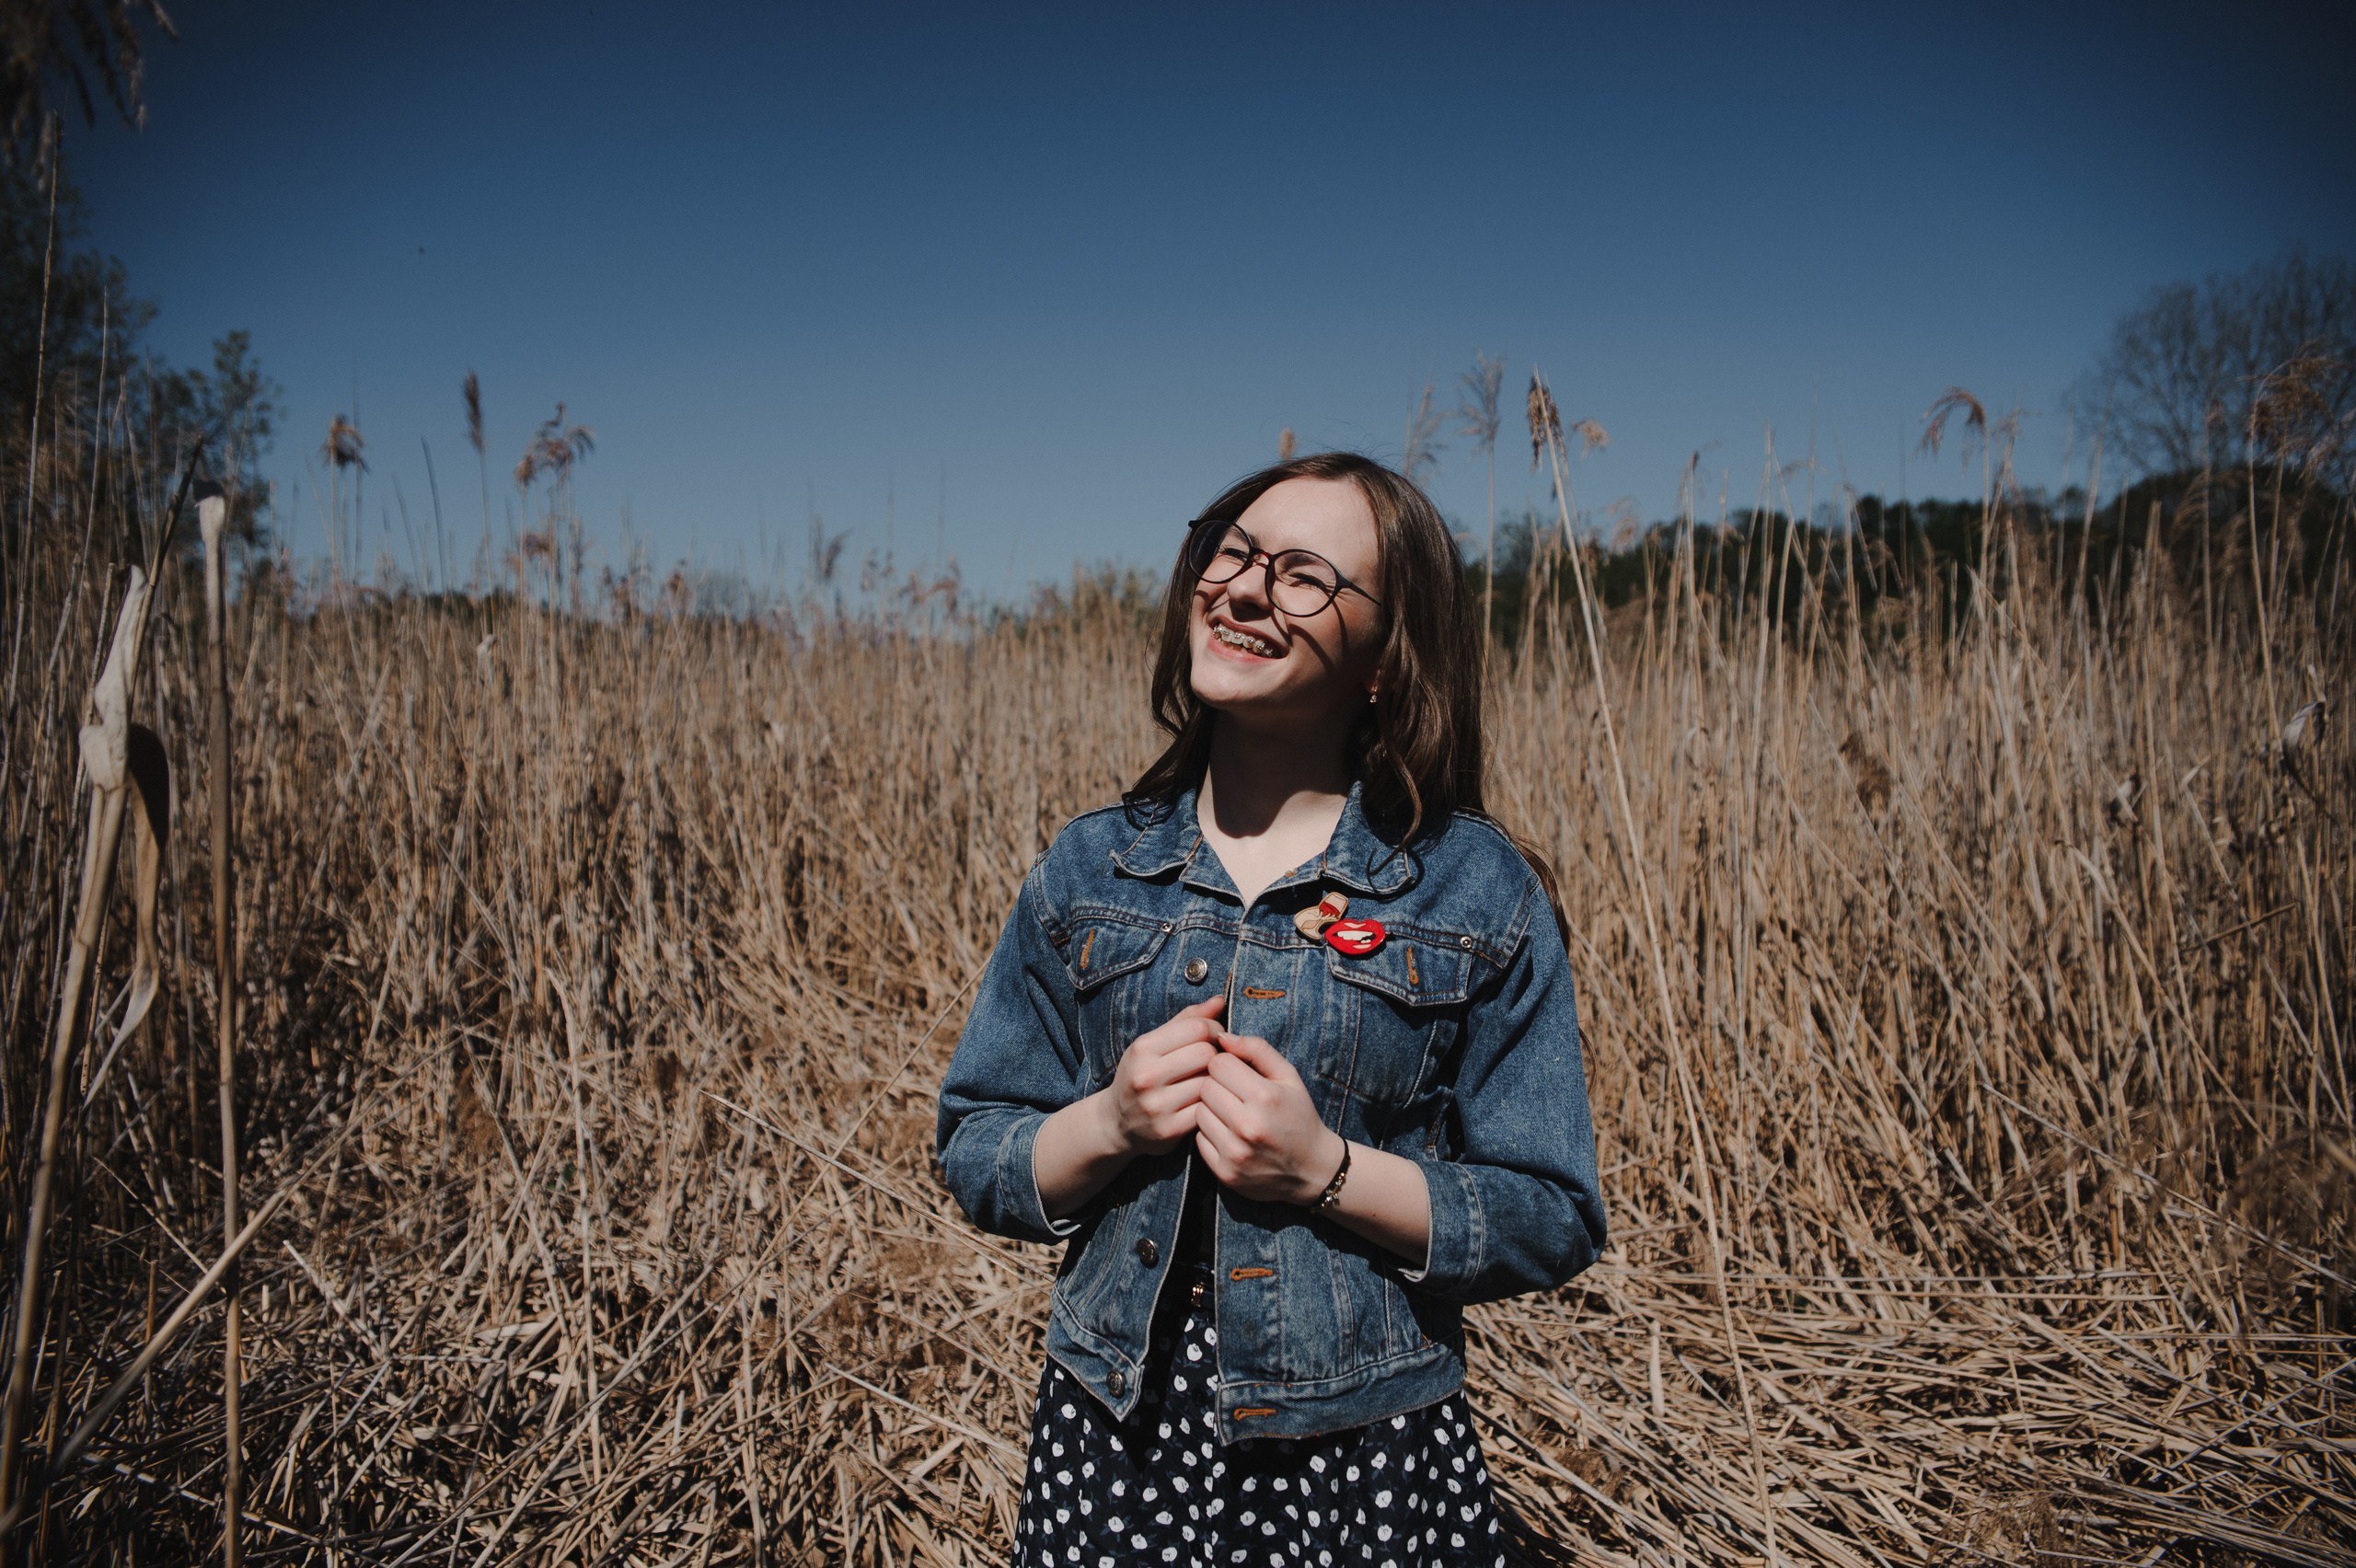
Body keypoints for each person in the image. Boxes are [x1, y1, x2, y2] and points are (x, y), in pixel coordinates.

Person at [937, 452, 1604, 1568]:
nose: (1242, 588)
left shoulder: (1474, 892)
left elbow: (1550, 1213)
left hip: (1360, 1446)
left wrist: (1326, 1172)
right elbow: (975, 1147)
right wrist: (1107, 1123)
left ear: (1387, 661)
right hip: (1115, 1437)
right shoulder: (1092, 868)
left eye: (1303, 576)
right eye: (1232, 552)